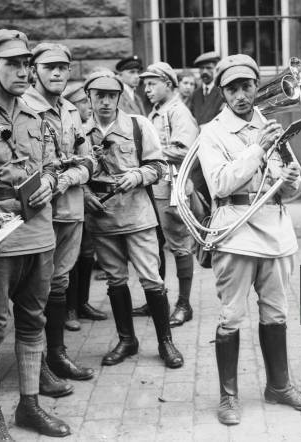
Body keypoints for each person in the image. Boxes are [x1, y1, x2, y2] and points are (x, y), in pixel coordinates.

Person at [0, 29, 70, 439]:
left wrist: (52, 183)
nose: (24, 71)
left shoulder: (34, 113)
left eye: (27, 63)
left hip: (40, 236)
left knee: (32, 323)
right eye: (14, 64)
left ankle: (29, 407)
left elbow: (54, 164)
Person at [198, 54, 301, 425]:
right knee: (232, 315)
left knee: (277, 313)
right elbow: (219, 183)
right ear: (222, 91)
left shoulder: (271, 124)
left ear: (256, 86)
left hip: (276, 232)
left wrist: (294, 178)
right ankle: (229, 397)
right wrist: (256, 150)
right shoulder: (211, 132)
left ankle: (278, 386)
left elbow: (288, 186)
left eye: (246, 86)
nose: (240, 95)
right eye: (232, 88)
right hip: (236, 231)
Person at [82, 70, 184, 368]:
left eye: (111, 95)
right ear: (89, 97)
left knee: (152, 279)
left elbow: (159, 166)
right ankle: (127, 339)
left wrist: (138, 175)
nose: (104, 101)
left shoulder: (139, 126)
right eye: (98, 95)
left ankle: (166, 342)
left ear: (119, 97)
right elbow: (73, 170)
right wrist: (85, 192)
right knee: (115, 280)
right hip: (102, 217)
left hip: (138, 216)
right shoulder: (79, 134)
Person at [23, 43, 95, 395]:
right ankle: (37, 365)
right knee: (35, 289)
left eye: (63, 68)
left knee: (60, 283)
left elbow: (88, 160)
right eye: (48, 67)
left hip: (70, 209)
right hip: (40, 213)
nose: (56, 73)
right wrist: (65, 172)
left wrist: (69, 176)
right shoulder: (24, 107)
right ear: (34, 69)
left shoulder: (70, 109)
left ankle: (57, 355)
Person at [140, 62, 199, 327]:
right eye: (145, 84)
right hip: (155, 188)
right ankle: (158, 299)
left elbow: (186, 150)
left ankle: (184, 304)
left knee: (180, 244)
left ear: (168, 83)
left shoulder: (178, 112)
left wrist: (149, 153)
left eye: (152, 83)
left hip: (172, 189)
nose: (147, 88)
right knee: (155, 243)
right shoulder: (157, 111)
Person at [61, 81, 107, 331]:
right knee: (71, 258)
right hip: (70, 199)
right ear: (70, 105)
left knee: (87, 253)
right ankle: (69, 309)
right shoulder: (64, 126)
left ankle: (83, 302)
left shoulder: (86, 129)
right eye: (82, 103)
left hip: (84, 202)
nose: (88, 107)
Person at [189, 51, 223, 125]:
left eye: (208, 68)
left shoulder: (222, 92)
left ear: (216, 70)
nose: (204, 71)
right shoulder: (195, 94)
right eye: (202, 68)